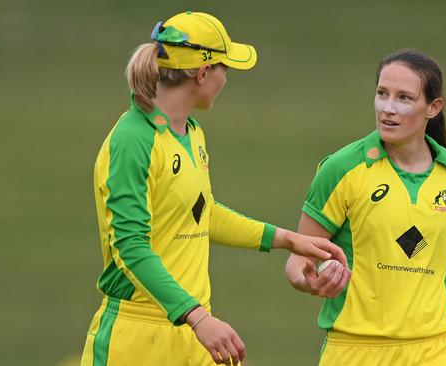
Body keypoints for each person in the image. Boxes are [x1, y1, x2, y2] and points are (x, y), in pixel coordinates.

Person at [80, 11, 347, 366]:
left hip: (194, 331)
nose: (226, 79)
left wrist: (287, 239)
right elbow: (130, 247)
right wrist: (198, 317)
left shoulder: (190, 133)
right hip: (138, 337)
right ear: (203, 73)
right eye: (225, 68)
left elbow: (201, 211)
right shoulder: (133, 139)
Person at [285, 49, 446, 366]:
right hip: (356, 351)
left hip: (437, 351)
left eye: (404, 98)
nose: (388, 108)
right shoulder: (341, 169)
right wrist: (309, 281)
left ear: (433, 108)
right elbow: (298, 258)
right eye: (382, 94)